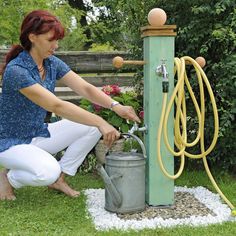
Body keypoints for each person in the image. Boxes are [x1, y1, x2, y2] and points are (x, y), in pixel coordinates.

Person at [0, 10, 140, 200]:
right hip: (9, 142)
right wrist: (100, 120)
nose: (56, 46)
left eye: (57, 40)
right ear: (32, 37)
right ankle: (8, 178)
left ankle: (60, 178)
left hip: (38, 133)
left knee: (91, 128)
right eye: (51, 40)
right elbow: (56, 106)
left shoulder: (51, 63)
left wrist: (116, 106)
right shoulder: (17, 71)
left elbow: (85, 88)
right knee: (47, 171)